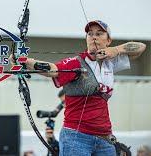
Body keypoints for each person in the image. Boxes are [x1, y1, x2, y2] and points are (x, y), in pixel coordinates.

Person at [18, 20, 146, 156]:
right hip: (77, 137)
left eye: (99, 33)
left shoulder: (110, 62)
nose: (93, 37)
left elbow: (141, 47)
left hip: (105, 138)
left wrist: (115, 50)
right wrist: (25, 61)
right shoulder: (76, 63)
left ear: (108, 40)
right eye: (90, 34)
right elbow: (53, 70)